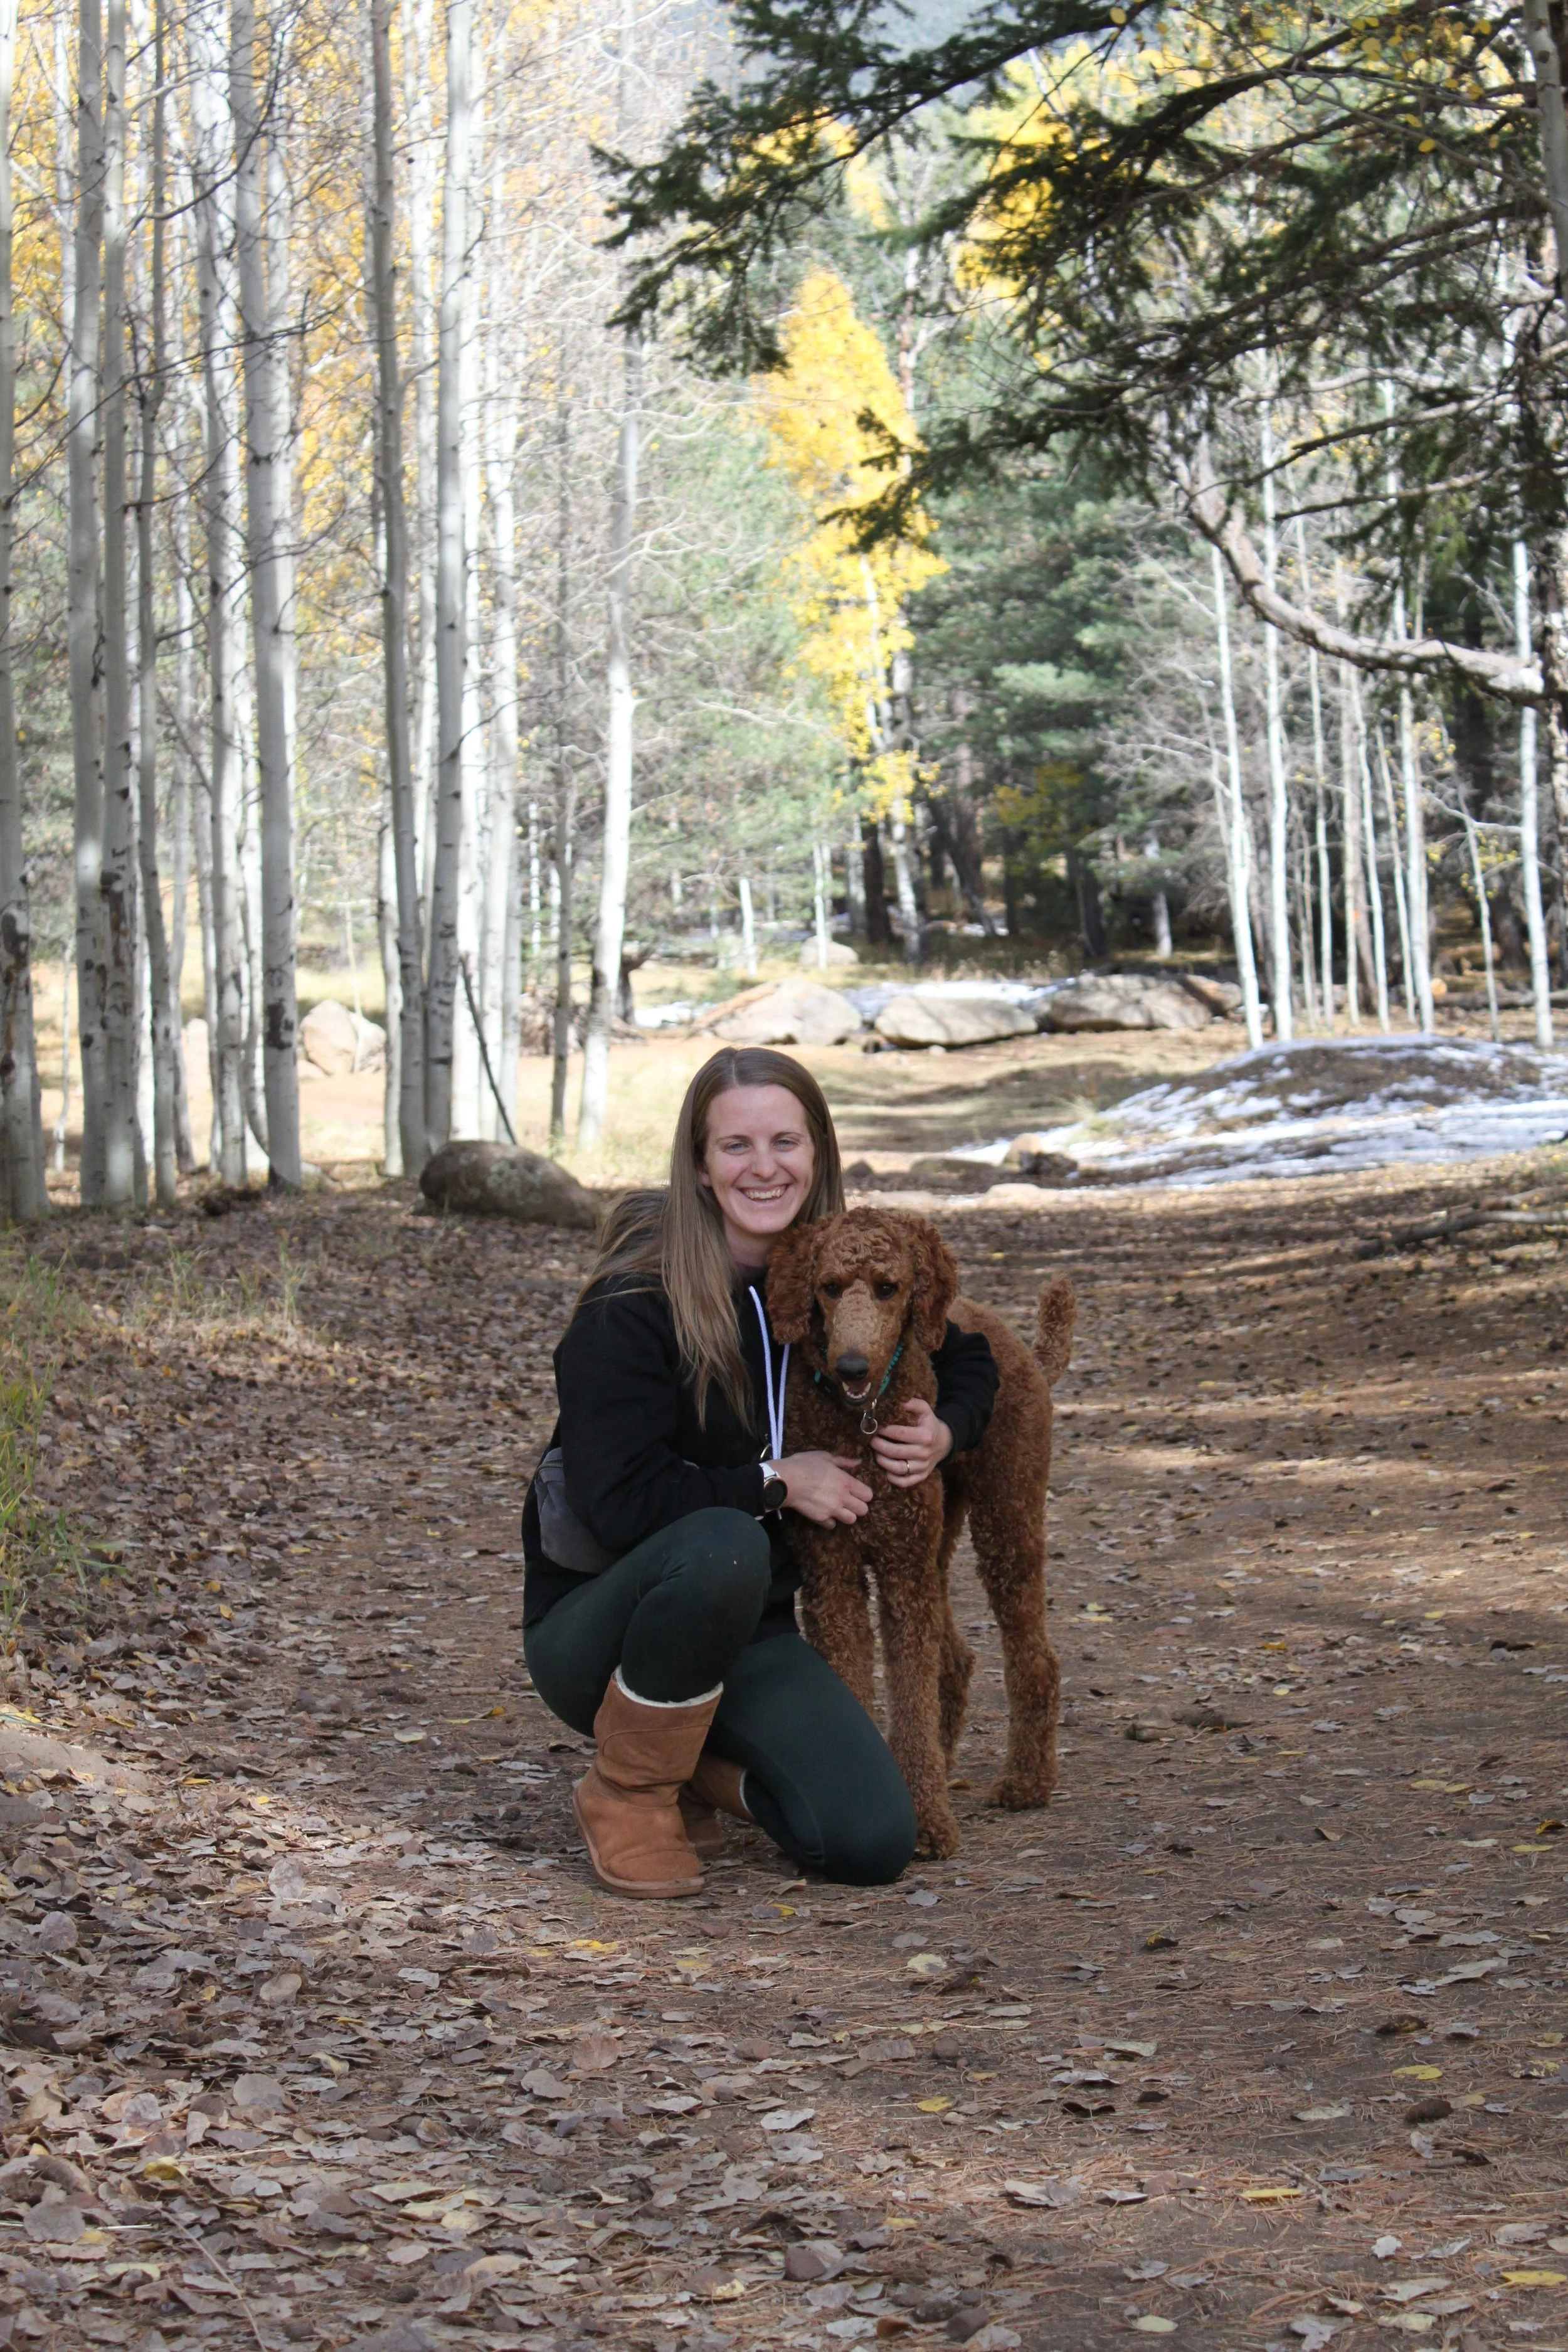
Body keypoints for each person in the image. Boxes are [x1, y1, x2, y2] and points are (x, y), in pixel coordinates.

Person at [521, 1046, 999, 1898]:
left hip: (753, 1630)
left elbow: (961, 1347)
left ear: (819, 1153)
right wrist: (776, 1480)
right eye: (736, 1145)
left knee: (870, 1837)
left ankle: (705, 1771)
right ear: (700, 1166)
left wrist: (948, 1428)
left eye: (786, 1141)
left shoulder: (833, 1272)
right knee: (722, 1543)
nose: (764, 1166)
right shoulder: (633, 1301)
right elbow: (615, 1498)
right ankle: (629, 1790)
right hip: (609, 1628)